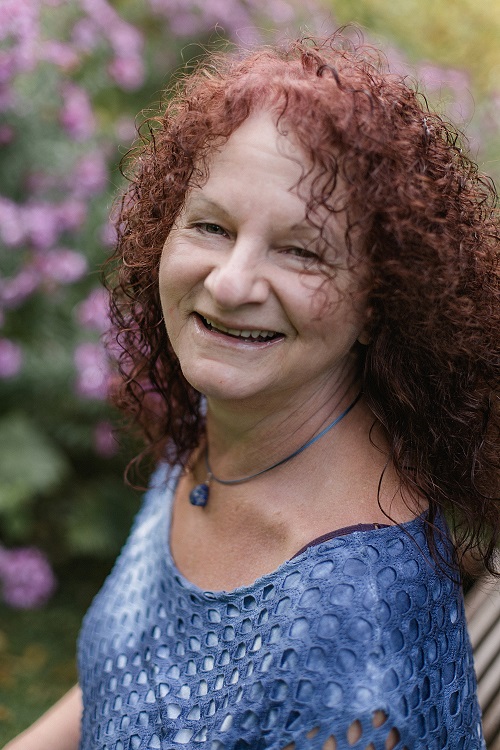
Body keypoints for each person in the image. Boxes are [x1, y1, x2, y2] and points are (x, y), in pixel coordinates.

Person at [6, 31, 499, 750]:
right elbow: (131, 676)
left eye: (301, 251)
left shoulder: (351, 642)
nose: (231, 283)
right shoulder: (237, 419)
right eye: (212, 226)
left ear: (380, 302)